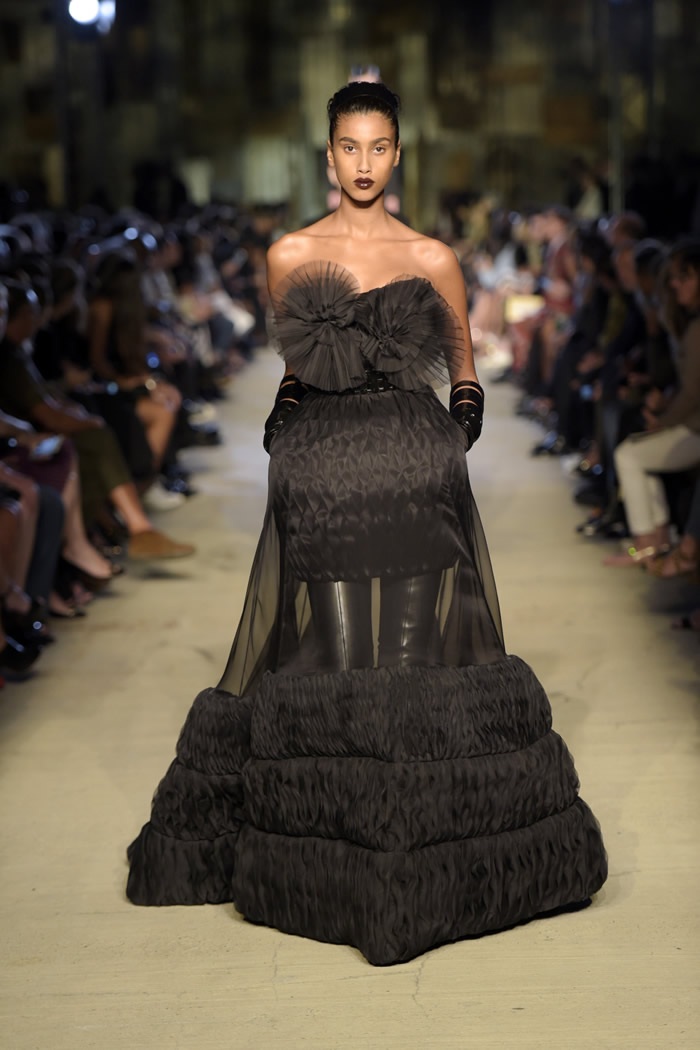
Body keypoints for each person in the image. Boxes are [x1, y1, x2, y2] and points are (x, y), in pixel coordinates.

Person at [126, 81, 607, 966]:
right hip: (324, 476)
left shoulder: (432, 256)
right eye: (349, 146)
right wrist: (285, 438)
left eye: (378, 147)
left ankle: (411, 874)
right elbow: (298, 371)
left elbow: (465, 376)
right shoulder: (290, 253)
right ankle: (345, 875)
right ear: (329, 153)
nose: (363, 163)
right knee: (339, 659)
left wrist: (447, 441)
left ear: (397, 154)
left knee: (409, 665)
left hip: (413, 471)